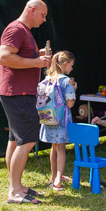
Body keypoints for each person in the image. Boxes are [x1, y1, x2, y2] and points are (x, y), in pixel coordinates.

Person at [0, 0, 51, 204]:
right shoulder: (16, 29)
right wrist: (36, 62)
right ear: (31, 10)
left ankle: (17, 186)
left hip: (18, 93)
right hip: (17, 94)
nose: (44, 20)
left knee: (15, 140)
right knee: (28, 140)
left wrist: (37, 57)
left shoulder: (24, 30)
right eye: (42, 15)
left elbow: (19, 56)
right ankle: (14, 191)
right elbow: (3, 57)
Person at [39, 51, 77, 191]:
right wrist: (73, 89)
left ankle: (53, 176)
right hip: (61, 120)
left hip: (48, 117)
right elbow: (70, 103)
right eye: (71, 65)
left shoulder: (48, 78)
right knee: (61, 149)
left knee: (53, 148)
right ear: (65, 64)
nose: (72, 68)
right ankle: (57, 180)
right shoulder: (66, 81)